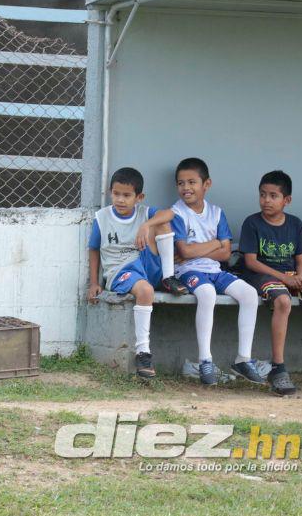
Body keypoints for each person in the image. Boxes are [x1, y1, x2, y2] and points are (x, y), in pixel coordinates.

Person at [238, 171, 302, 397]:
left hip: (291, 275)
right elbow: (251, 262)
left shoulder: (295, 224)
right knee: (283, 301)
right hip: (261, 276)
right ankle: (278, 367)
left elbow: (301, 260)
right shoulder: (252, 223)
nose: (266, 200)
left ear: (287, 200)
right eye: (263, 194)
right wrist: (284, 278)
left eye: (273, 196)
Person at [88, 167, 188, 379]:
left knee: (162, 222)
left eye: (127, 195)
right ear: (110, 192)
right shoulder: (102, 218)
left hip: (144, 262)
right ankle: (143, 352)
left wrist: (147, 225)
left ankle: (168, 277)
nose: (120, 200)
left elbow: (170, 214)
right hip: (120, 270)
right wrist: (93, 282)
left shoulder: (144, 212)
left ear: (139, 197)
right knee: (145, 290)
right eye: (116, 194)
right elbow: (94, 249)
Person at [170, 158, 262, 386]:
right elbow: (184, 251)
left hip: (214, 270)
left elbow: (226, 253)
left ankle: (243, 359)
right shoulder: (177, 212)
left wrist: (198, 250)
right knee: (207, 293)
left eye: (192, 182)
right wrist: (214, 243)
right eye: (181, 183)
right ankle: (205, 361)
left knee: (249, 294)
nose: (186, 188)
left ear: (207, 184)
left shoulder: (216, 213)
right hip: (188, 270)